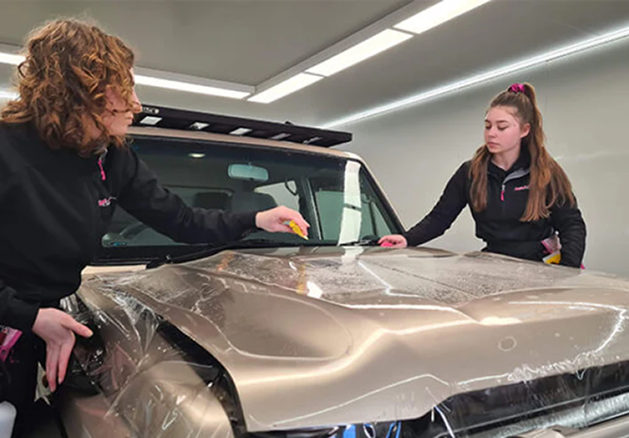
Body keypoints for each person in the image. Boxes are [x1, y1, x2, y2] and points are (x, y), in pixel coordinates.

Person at [0, 18, 309, 435]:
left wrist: (256, 219)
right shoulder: (8, 149)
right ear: (79, 90)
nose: (137, 103)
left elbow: (180, 220)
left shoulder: (110, 157)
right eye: (124, 88)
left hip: (39, 320)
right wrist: (28, 316)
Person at [379, 82, 586, 268]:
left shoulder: (547, 172)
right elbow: (440, 218)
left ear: (524, 130)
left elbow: (571, 224)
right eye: (488, 126)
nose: (491, 133)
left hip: (539, 265)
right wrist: (407, 239)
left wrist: (567, 269)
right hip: (493, 262)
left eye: (502, 127)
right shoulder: (470, 172)